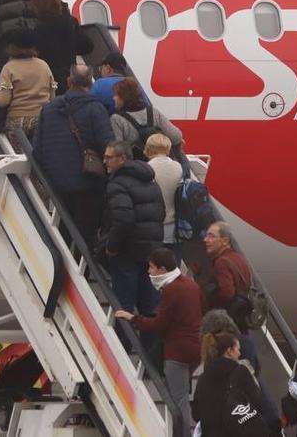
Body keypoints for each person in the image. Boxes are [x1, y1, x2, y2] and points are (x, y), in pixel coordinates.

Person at [115, 247, 204, 437]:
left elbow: (158, 324)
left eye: (152, 267)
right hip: (196, 348)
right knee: (183, 395)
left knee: (178, 400)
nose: (148, 271)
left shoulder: (171, 290)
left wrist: (133, 318)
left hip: (177, 352)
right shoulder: (191, 285)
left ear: (163, 270)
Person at [30, 65, 113, 249]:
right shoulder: (95, 109)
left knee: (63, 231)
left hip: (58, 183)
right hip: (89, 182)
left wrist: (51, 175)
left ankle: (63, 270)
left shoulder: (49, 110)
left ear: (68, 82)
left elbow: (37, 150)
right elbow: (108, 145)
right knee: (87, 233)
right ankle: (83, 272)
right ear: (91, 83)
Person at [102, 141, 165, 318]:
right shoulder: (150, 181)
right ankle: (149, 344)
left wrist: (111, 246)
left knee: (123, 307)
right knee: (150, 306)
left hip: (127, 252)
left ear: (122, 159)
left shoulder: (117, 184)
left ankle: (124, 345)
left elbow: (123, 219)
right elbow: (161, 212)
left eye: (108, 157)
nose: (104, 161)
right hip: (151, 251)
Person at [193, 332, 273, 437]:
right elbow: (257, 402)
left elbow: (195, 414)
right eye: (237, 349)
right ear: (229, 351)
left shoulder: (203, 378)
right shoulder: (241, 372)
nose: (239, 353)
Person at [0, 28, 55, 140]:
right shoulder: (43, 65)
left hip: (17, 120)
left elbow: (2, 101)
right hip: (42, 118)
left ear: (11, 46)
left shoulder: (8, 68)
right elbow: (52, 96)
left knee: (19, 155)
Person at [30, 0, 93, 95]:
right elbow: (87, 46)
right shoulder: (70, 22)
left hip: (48, 80)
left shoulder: (37, 29)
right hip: (69, 78)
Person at [110, 78, 182, 159]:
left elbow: (118, 149)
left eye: (116, 95)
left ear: (123, 97)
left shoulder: (117, 119)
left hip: (138, 168)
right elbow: (176, 136)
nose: (113, 98)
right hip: (159, 163)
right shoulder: (153, 112)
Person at [144, 134, 183, 257]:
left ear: (149, 149)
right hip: (175, 226)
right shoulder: (178, 167)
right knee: (172, 266)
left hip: (154, 227)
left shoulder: (147, 168)